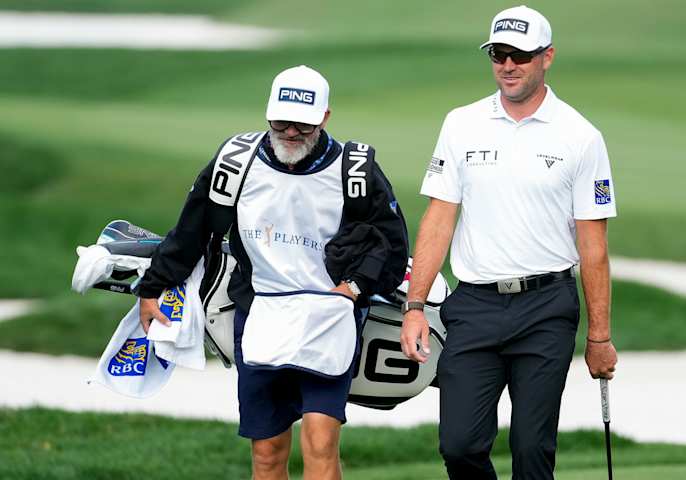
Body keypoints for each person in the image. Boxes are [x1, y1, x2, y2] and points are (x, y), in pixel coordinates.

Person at [136, 65, 408, 480]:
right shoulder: (236, 162)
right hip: (260, 314)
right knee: (266, 454)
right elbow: (192, 229)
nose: (291, 132)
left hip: (329, 318)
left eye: (303, 123)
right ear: (267, 113)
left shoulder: (355, 170)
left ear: (325, 117)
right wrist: (152, 287)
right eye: (281, 121)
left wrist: (354, 290)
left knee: (320, 441)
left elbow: (393, 244)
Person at [400, 5, 618, 479]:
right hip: (474, 304)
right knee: (458, 445)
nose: (508, 65)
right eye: (499, 54)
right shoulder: (461, 124)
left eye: (520, 54)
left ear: (547, 57)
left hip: (546, 309)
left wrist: (599, 337)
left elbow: (593, 247)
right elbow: (439, 219)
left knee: (531, 450)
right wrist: (415, 304)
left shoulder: (581, 137)